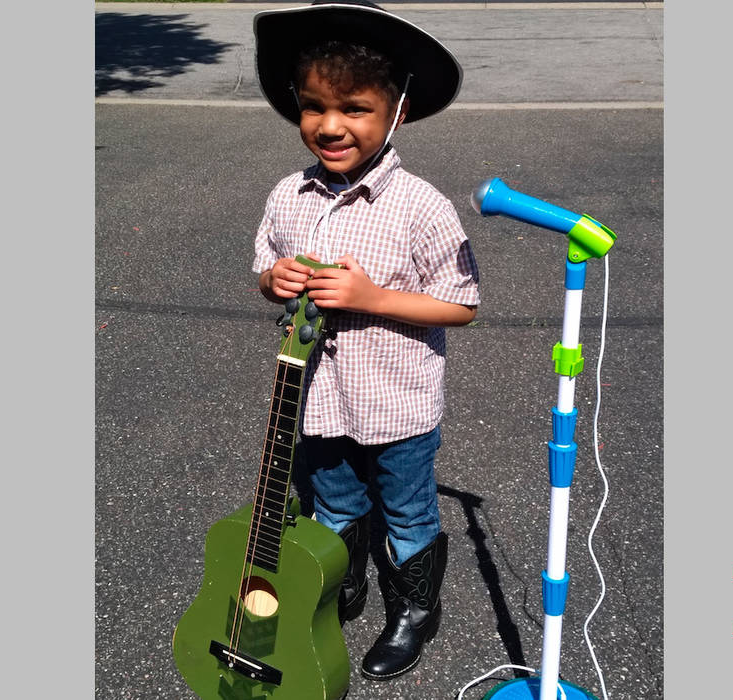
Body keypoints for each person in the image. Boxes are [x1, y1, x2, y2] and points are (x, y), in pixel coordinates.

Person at [251, 0, 480, 681]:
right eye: (315, 105)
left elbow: (461, 305)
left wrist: (373, 298)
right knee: (335, 504)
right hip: (316, 398)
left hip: (396, 404)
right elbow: (264, 269)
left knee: (407, 513)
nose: (330, 125)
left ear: (396, 111)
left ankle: (414, 610)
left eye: (354, 108)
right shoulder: (288, 196)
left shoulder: (421, 206)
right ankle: (338, 584)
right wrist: (275, 279)